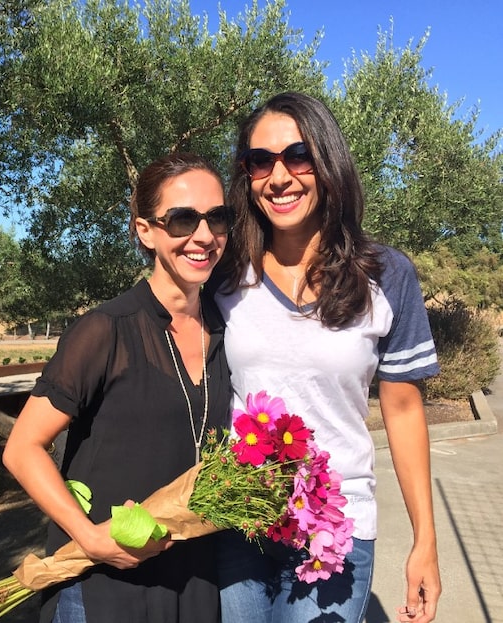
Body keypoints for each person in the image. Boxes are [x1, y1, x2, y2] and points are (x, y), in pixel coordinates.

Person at [208, 91, 441, 623]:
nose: (280, 176)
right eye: (260, 161)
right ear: (246, 176)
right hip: (241, 521)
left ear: (328, 162)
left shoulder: (387, 275)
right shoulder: (223, 278)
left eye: (298, 155)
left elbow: (403, 410)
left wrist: (424, 541)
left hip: (337, 526)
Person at [3, 152, 235, 623]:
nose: (204, 235)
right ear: (145, 231)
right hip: (105, 588)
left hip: (195, 584)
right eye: (182, 219)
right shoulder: (106, 330)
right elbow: (22, 448)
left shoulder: (229, 331)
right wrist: (89, 538)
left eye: (218, 218)